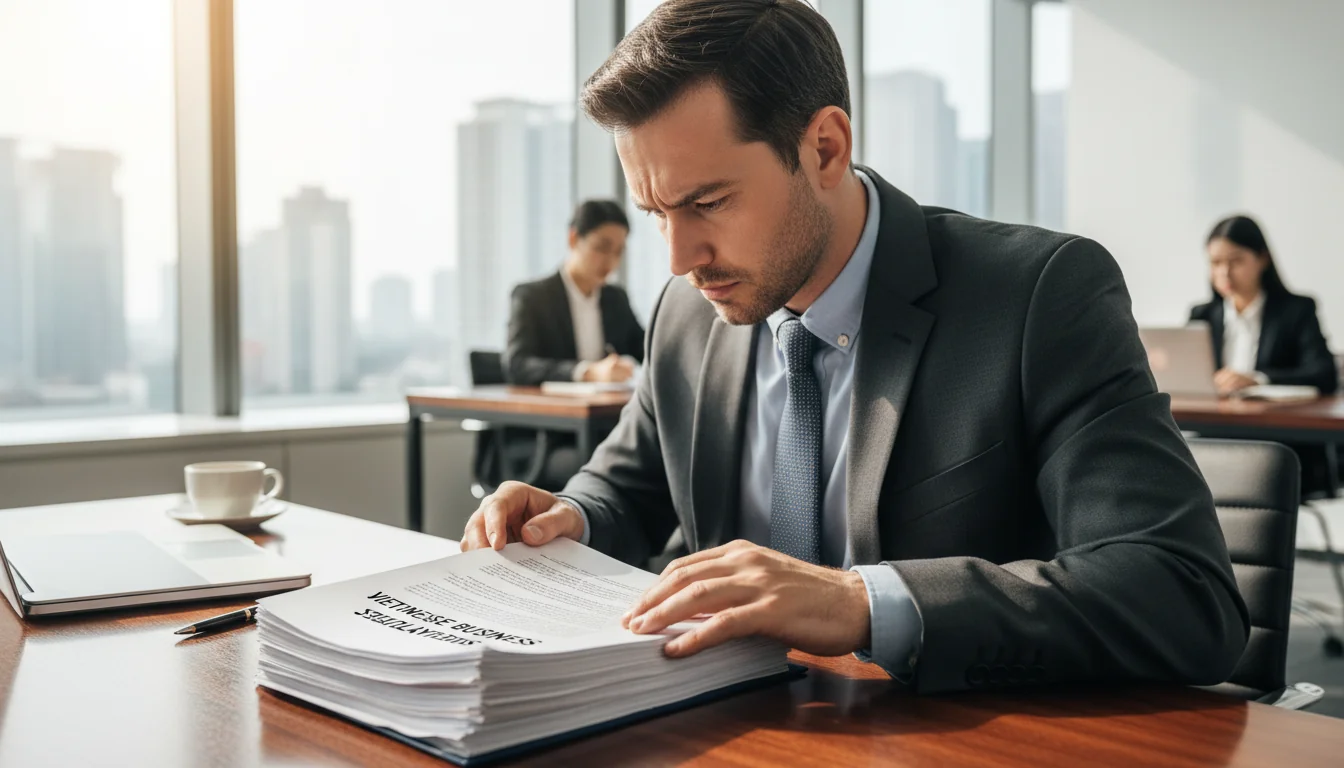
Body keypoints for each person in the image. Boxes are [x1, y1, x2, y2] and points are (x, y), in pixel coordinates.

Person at [462, 0, 1247, 694]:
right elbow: (629, 488)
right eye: (656, 211)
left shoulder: (1038, 295)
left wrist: (862, 602)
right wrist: (568, 516)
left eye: (708, 202)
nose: (678, 256)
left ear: (826, 147)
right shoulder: (685, 312)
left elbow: (1182, 595)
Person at [1189, 215, 1338, 396]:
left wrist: (1258, 379)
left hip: (1273, 420)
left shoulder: (1297, 311)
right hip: (1209, 417)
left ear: (1263, 259)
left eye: (1236, 261)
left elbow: (1324, 374)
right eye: (1216, 262)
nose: (1224, 272)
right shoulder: (1202, 315)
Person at [503, 200, 646, 387]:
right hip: (556, 411)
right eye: (602, 247)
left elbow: (647, 351)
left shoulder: (616, 299)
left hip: (607, 409)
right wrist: (588, 372)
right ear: (573, 239)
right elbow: (517, 365)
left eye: (618, 252)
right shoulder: (532, 297)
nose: (611, 261)